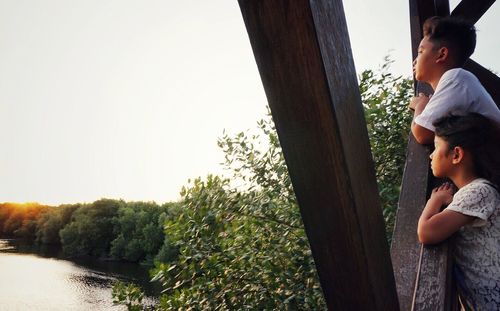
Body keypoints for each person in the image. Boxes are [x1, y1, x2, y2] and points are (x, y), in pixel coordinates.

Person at [417, 113, 500, 309]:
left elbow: (427, 232)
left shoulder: (479, 190)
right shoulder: (474, 191)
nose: (431, 155)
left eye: (436, 147)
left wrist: (434, 200)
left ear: (456, 155)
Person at [409, 16, 500, 145]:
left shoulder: (455, 78)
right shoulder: (459, 82)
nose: (415, 61)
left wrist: (420, 105)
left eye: (420, 51)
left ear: (442, 54)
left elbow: (422, 133)